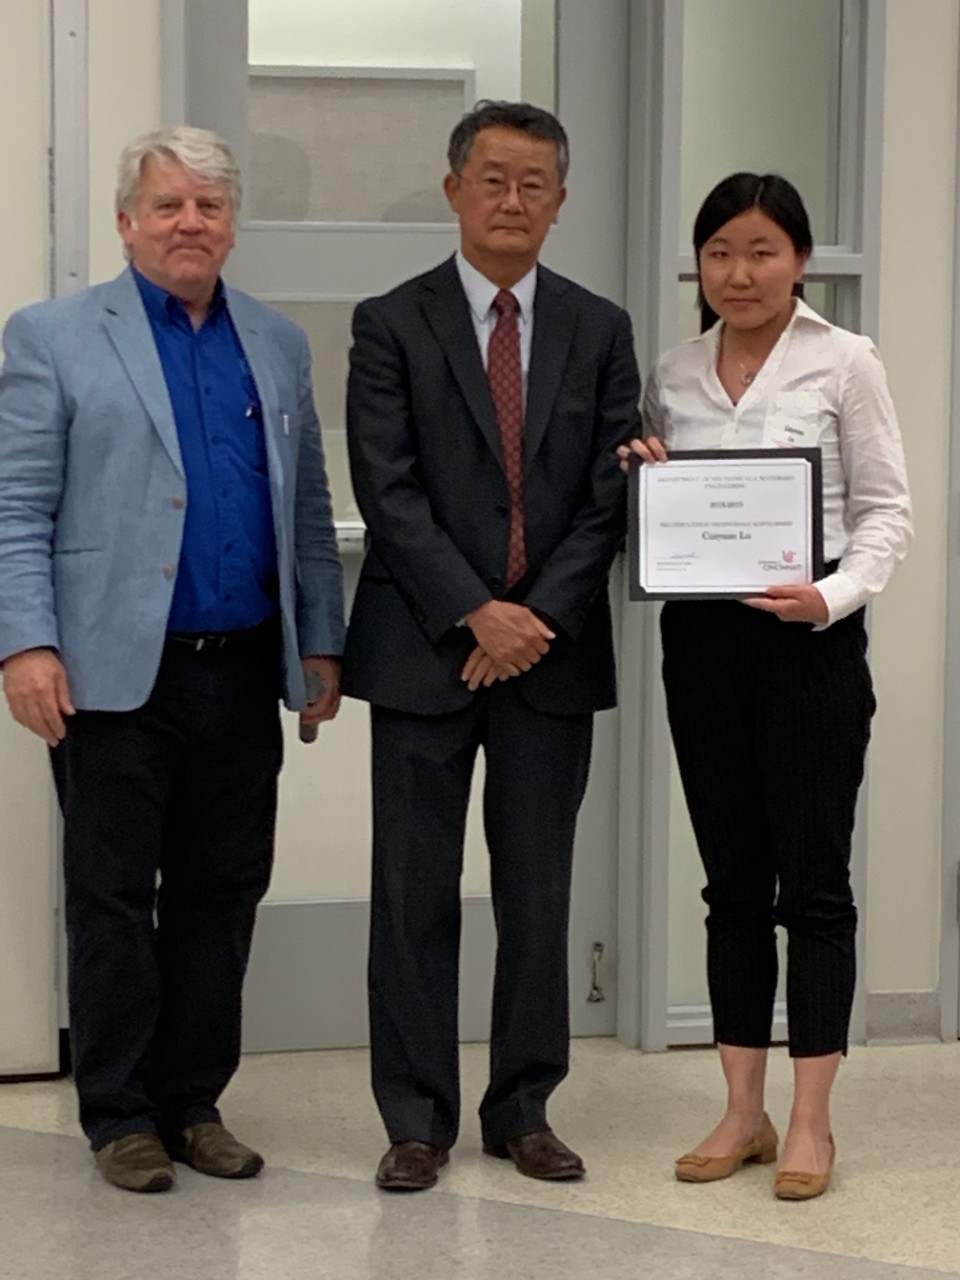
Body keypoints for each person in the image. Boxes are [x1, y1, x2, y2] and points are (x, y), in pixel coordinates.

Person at [0, 126, 345, 1193]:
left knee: (221, 890)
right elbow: (16, 506)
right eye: (167, 205)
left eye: (208, 205)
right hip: (109, 672)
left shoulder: (277, 342)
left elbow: (306, 504)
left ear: (232, 223)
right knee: (111, 894)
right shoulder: (53, 336)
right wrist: (26, 641)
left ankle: (195, 1101)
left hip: (241, 664)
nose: (189, 222)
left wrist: (320, 637)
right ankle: (120, 1113)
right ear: (126, 222)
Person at [343, 100, 640, 1191]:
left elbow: (609, 493)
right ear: (455, 188)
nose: (512, 200)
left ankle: (524, 1105)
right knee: (412, 891)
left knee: (538, 890)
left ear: (560, 201)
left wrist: (532, 620)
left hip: (549, 658)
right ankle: (414, 1115)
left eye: (535, 183)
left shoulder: (601, 328)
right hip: (426, 651)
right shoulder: (391, 321)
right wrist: (477, 611)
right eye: (493, 178)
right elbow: (388, 485)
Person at [621, 172, 912, 1200]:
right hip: (702, 649)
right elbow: (660, 513)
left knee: (815, 886)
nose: (738, 273)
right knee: (731, 885)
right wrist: (645, 477)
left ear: (800, 258)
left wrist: (830, 597)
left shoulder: (846, 361)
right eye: (719, 253)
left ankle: (813, 1121)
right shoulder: (674, 370)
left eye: (761, 251)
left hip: (811, 648)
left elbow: (887, 511)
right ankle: (741, 1111)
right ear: (698, 265)